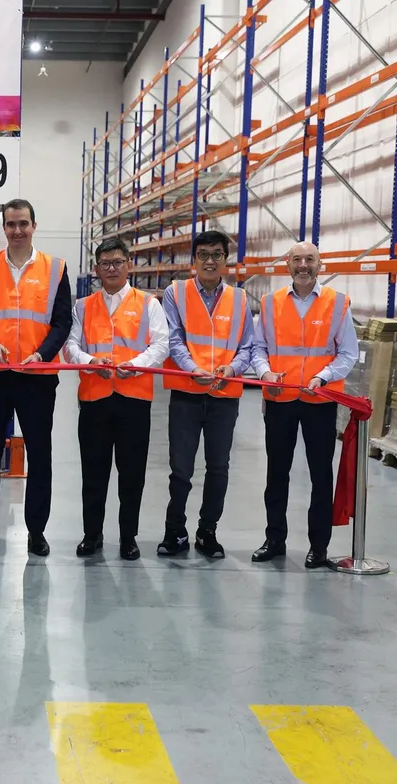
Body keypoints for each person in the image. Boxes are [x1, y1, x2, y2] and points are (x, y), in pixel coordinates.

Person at [0, 198, 73, 556]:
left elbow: (62, 322)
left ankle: (36, 532)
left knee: (39, 455)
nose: (17, 230)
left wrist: (42, 354)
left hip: (36, 377)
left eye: (23, 223)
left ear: (34, 226)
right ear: (3, 227)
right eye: (10, 224)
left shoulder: (55, 268)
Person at [252, 240, 358, 567]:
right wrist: (265, 372)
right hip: (280, 399)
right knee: (276, 474)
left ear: (319, 265)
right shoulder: (270, 303)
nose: (303, 265)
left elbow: (348, 353)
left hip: (319, 400)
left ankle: (319, 546)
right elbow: (258, 348)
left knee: (320, 475)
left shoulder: (337, 303)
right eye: (297, 259)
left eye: (309, 259)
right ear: (287, 264)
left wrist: (323, 377)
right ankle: (274, 539)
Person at [62, 238, 169, 560]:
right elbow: (71, 345)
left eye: (118, 262)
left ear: (129, 265)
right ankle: (91, 535)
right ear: (96, 269)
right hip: (94, 400)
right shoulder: (82, 306)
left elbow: (161, 345)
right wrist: (90, 361)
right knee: (93, 473)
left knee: (132, 473)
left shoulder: (148, 304)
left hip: (133, 400)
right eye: (105, 263)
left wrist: (135, 365)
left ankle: (128, 537)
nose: (112, 268)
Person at [158, 230, 255, 560]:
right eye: (203, 255)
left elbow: (247, 346)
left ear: (225, 260)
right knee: (181, 469)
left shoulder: (240, 299)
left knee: (218, 468)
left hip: (224, 396)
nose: (210, 261)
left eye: (217, 255)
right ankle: (175, 531)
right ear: (194, 260)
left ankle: (207, 531)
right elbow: (173, 339)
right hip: (186, 393)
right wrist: (193, 369)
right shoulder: (176, 293)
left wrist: (232, 368)